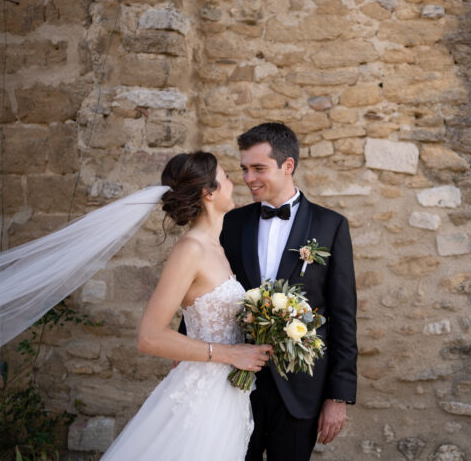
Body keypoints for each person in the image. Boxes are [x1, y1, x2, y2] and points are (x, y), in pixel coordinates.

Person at [101, 152, 273, 460]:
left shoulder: (217, 248)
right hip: (202, 394)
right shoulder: (190, 249)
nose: (235, 184)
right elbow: (149, 336)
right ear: (208, 193)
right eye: (227, 178)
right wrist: (231, 354)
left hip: (228, 394)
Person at [224, 123, 358, 460]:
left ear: (288, 166)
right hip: (237, 384)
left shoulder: (330, 225)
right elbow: (211, 291)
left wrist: (338, 397)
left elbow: (343, 316)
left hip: (303, 389)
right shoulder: (232, 223)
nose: (248, 178)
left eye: (258, 168)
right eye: (244, 169)